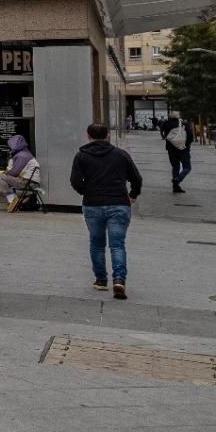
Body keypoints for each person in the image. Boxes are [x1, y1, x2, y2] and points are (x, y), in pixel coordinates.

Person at [71, 122, 141, 299]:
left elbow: (76, 181)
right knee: (117, 244)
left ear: (88, 136)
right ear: (107, 136)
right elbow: (136, 178)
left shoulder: (81, 156)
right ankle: (119, 279)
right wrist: (133, 194)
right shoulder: (120, 154)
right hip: (118, 203)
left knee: (96, 244)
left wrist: (87, 191)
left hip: (93, 204)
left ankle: (101, 280)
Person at [0, 133, 38, 211]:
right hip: (28, 181)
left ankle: (11, 199)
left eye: (11, 145)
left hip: (27, 182)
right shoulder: (25, 153)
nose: (10, 147)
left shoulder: (22, 156)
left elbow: (14, 173)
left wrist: (3, 173)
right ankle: (13, 199)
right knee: (1, 176)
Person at [161, 114, 192, 193]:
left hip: (171, 149)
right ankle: (177, 180)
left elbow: (163, 133)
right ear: (178, 117)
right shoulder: (184, 124)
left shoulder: (166, 124)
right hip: (183, 149)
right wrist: (187, 145)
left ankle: (176, 187)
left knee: (175, 167)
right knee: (187, 167)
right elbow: (190, 136)